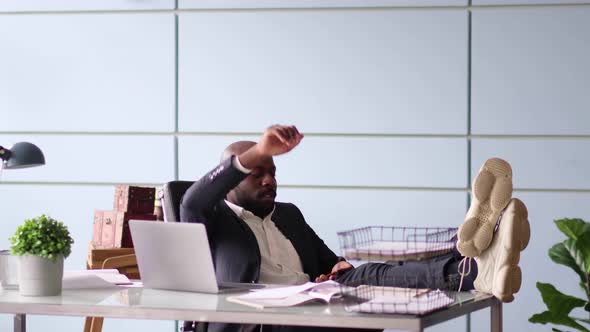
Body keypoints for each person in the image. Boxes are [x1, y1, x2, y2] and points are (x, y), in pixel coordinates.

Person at [180, 125, 530, 332]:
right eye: (258, 172)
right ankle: (475, 258)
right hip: (261, 323)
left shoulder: (288, 214)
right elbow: (192, 200)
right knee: (369, 277)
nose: (270, 179)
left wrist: (336, 268)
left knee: (372, 273)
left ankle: (470, 260)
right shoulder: (213, 220)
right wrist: (257, 150)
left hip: (313, 305)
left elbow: (330, 263)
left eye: (273, 170)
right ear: (232, 179)